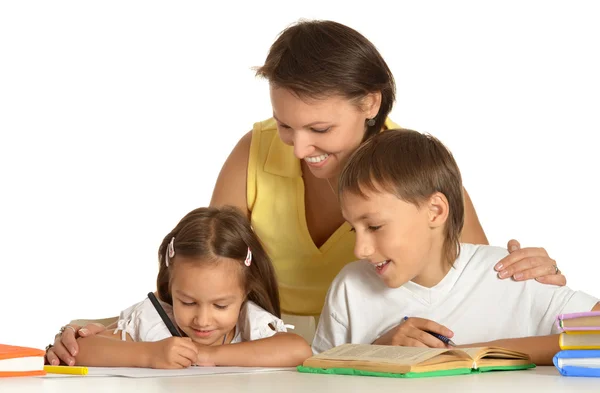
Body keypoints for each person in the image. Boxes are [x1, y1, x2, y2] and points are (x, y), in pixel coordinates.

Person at [46, 19, 566, 366]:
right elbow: (207, 273)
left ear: (369, 102)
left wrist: (529, 275)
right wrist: (105, 328)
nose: (298, 148)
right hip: (258, 347)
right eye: (286, 125)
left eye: (318, 129)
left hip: (367, 346)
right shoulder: (255, 150)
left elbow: (467, 283)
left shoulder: (411, 175)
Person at [312, 129, 599, 365]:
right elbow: (315, 375)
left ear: (435, 211)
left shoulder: (510, 274)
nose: (360, 249)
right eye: (354, 228)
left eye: (374, 226)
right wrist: (379, 352)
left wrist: (465, 355)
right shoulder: (350, 289)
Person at [63, 206, 311, 368]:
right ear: (170, 286)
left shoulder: (249, 322)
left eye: (221, 305)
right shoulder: (153, 321)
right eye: (188, 302)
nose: (203, 320)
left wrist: (207, 355)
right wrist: (150, 355)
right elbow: (80, 350)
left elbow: (299, 350)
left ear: (244, 293)